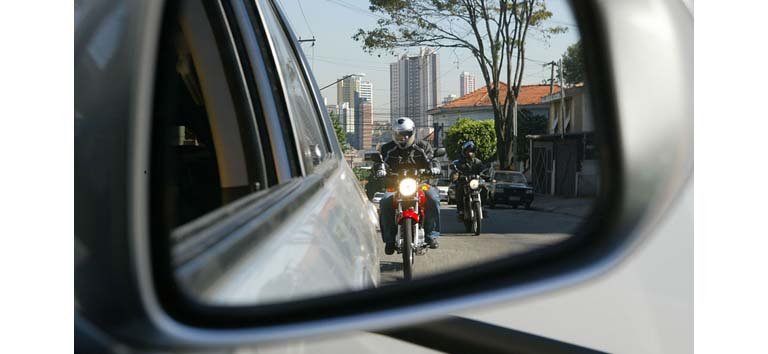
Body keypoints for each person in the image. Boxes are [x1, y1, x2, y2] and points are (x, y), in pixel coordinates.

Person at [375, 117, 442, 255]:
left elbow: (432, 160)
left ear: (412, 133)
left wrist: (435, 168)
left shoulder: (423, 146)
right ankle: (389, 240)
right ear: (394, 134)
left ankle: (431, 235)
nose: (403, 137)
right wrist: (379, 169)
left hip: (420, 184)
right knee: (385, 202)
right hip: (395, 185)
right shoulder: (387, 148)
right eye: (399, 134)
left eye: (406, 134)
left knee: (433, 198)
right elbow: (380, 162)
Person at [452, 141, 488, 219]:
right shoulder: (459, 162)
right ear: (464, 151)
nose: (470, 153)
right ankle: (460, 210)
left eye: (472, 151)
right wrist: (456, 176)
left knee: (484, 188)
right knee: (459, 190)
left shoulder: (477, 162)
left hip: (474, 182)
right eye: (468, 151)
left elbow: (483, 169)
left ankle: (483, 206)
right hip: (464, 182)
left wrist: (485, 174)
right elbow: (455, 170)